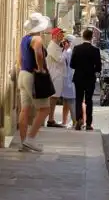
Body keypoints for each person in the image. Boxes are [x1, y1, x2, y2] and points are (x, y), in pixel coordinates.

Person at [18, 12, 52, 152]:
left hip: (23, 74)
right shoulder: (37, 39)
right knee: (45, 109)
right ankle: (30, 139)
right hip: (32, 75)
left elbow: (19, 59)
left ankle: (23, 142)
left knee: (24, 109)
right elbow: (39, 53)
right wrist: (40, 69)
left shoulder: (24, 39)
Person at [70, 28, 101, 131]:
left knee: (78, 99)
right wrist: (91, 69)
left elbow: (72, 64)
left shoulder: (76, 48)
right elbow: (99, 67)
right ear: (91, 38)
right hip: (89, 78)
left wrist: (80, 68)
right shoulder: (95, 50)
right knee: (89, 100)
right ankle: (88, 123)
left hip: (78, 77)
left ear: (83, 37)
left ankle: (78, 120)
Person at [46, 27, 65, 127]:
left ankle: (51, 118)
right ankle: (50, 119)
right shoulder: (53, 46)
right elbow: (60, 59)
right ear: (55, 35)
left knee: (54, 98)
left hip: (57, 75)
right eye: (61, 34)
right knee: (52, 98)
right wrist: (65, 51)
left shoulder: (56, 46)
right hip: (55, 75)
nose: (62, 36)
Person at [61, 35, 76, 128]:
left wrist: (64, 50)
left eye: (65, 42)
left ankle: (75, 122)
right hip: (68, 80)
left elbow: (61, 60)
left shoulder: (68, 52)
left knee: (70, 103)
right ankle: (64, 121)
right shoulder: (70, 52)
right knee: (66, 103)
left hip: (69, 81)